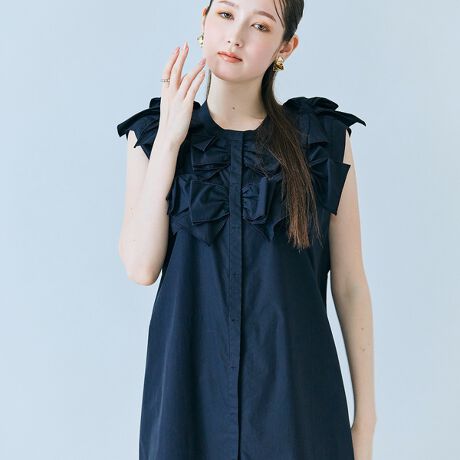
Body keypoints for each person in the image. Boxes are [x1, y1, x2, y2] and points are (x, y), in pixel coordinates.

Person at [116, 1, 376, 459]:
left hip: (297, 408)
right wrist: (171, 142)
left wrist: (365, 423)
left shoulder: (321, 141)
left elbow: (350, 284)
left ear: (285, 47)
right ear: (203, 19)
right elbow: (140, 267)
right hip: (186, 405)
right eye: (225, 14)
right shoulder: (153, 137)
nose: (236, 36)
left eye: (260, 25)